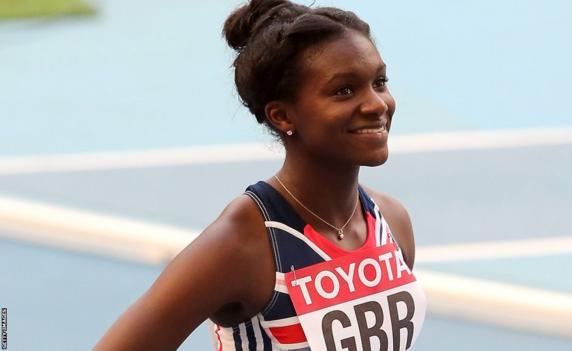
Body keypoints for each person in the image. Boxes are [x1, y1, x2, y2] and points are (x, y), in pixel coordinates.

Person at [94, 0, 426, 350]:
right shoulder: (242, 243)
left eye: (379, 81)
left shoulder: (390, 220)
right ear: (282, 116)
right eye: (344, 90)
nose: (376, 104)